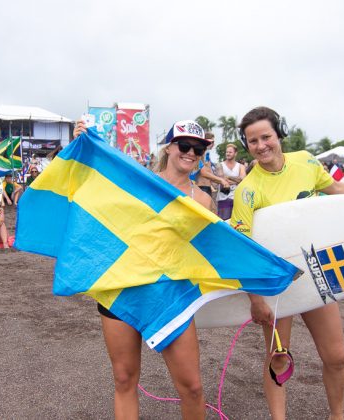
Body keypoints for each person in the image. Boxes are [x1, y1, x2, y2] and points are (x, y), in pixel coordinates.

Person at [231, 107, 344, 420]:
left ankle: (338, 416)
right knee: (278, 359)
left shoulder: (307, 161)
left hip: (317, 272)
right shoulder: (247, 191)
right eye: (252, 141)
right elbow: (243, 249)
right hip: (277, 284)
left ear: (279, 133)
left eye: (266, 136)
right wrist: (256, 299)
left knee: (336, 356)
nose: (260, 145)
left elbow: (335, 189)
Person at [74, 119, 212, 420]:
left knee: (192, 388)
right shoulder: (137, 182)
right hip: (122, 288)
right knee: (124, 380)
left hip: (170, 295)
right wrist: (85, 147)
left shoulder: (202, 200)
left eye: (198, 149)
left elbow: (211, 251)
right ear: (169, 147)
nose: (191, 153)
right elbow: (92, 193)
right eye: (185, 146)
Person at [194, 132, 230, 198]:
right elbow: (203, 173)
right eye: (212, 142)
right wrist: (221, 180)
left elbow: (209, 171)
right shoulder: (200, 153)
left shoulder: (207, 154)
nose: (213, 144)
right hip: (201, 187)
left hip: (207, 187)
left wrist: (221, 179)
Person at [216, 143, 246, 220]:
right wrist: (236, 180)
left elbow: (243, 179)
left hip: (237, 198)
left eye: (230, 152)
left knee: (237, 222)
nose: (228, 154)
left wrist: (228, 177)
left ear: (235, 153)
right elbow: (221, 178)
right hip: (223, 197)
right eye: (227, 152)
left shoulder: (241, 166)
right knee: (224, 222)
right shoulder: (220, 165)